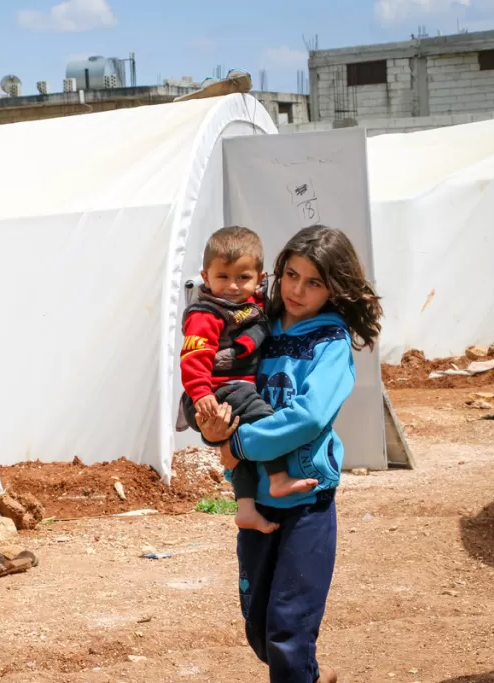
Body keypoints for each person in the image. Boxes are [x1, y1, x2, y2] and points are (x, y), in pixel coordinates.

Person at [198, 225, 383, 683]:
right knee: (260, 627)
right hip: (258, 498)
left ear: (334, 288)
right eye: (292, 275)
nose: (298, 290)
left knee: (288, 628)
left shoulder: (331, 344)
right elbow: (226, 393)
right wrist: (214, 428)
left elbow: (308, 417)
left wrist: (238, 445)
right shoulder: (256, 327)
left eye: (314, 282)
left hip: (306, 498)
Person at [178, 226, 318, 534]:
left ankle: (245, 509)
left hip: (229, 391)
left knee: (241, 450)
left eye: (242, 278)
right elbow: (193, 356)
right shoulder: (207, 313)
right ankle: (278, 478)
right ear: (205, 276)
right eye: (222, 277)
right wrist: (201, 392)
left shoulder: (253, 306)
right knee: (263, 416)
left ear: (259, 278)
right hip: (213, 391)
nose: (231, 287)